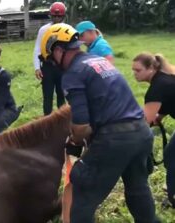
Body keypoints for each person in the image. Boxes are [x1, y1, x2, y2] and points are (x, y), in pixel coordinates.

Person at [40, 23, 160, 223]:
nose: (54, 64)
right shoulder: (97, 60)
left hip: (115, 139)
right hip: (141, 132)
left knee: (82, 194)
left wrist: (75, 142)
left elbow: (80, 125)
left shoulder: (73, 73)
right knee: (138, 190)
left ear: (58, 50)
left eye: (51, 59)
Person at [132, 52, 175, 209]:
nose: (134, 74)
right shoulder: (164, 79)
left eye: (138, 70)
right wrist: (160, 117)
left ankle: (173, 197)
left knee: (171, 155)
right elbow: (168, 102)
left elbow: (144, 122)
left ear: (150, 69)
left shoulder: (156, 88)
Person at [33, 2, 66, 115]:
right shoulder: (44, 30)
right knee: (47, 96)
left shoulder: (68, 29)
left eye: (59, 16)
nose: (57, 18)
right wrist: (37, 67)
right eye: (54, 16)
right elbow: (38, 48)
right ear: (50, 16)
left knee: (62, 96)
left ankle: (62, 124)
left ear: (63, 16)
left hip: (62, 67)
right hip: (47, 66)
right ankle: (47, 124)